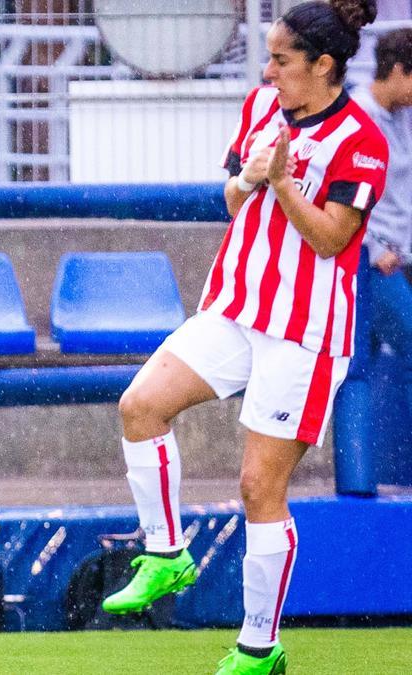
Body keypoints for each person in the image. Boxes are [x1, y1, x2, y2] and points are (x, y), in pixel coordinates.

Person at [99, 1, 385, 673]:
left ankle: (259, 647)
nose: (269, 69)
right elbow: (232, 200)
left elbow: (332, 239)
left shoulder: (362, 140)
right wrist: (251, 177)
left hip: (304, 332)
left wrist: (283, 184)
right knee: (140, 406)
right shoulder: (261, 105)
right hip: (235, 307)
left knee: (259, 487)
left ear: (323, 64)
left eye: (282, 59)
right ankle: (167, 553)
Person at [352, 29, 412, 363]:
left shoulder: (401, 114)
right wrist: (374, 249)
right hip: (375, 261)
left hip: (399, 254)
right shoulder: (361, 116)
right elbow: (347, 189)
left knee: (376, 358)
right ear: (399, 70)